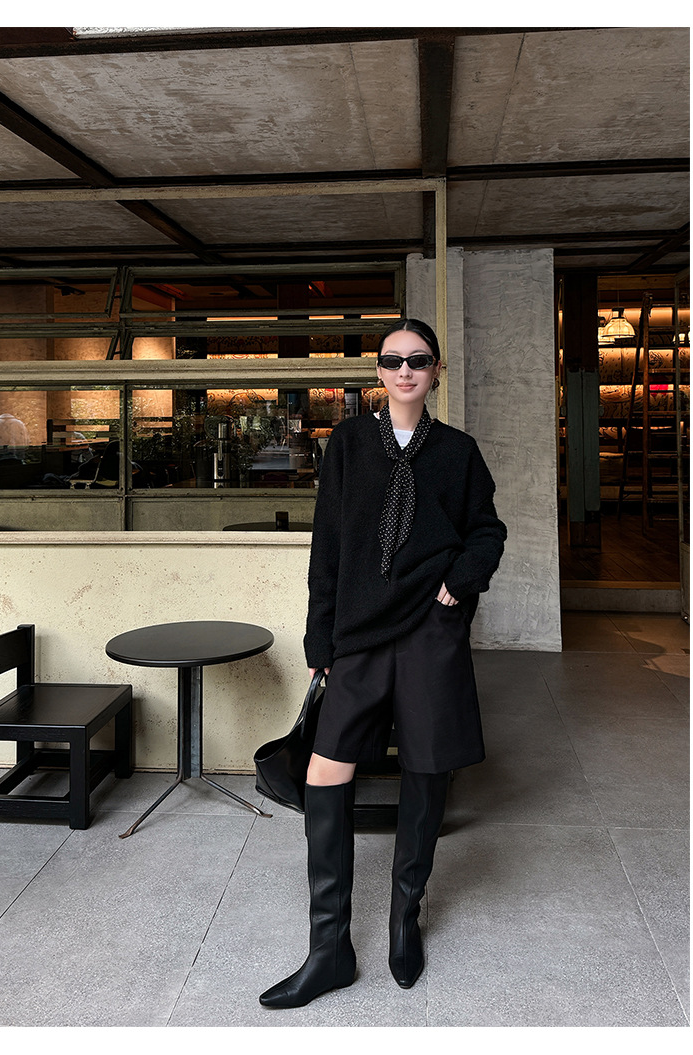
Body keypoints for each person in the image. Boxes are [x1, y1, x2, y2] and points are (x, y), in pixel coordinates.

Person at [259, 318, 508, 1010]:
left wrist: (460, 580)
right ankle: (329, 949)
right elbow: (328, 545)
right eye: (393, 360)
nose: (405, 370)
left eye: (418, 360)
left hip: (429, 630)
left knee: (427, 767)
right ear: (378, 371)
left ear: (435, 372)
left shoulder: (457, 452)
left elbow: (487, 530)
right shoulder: (347, 443)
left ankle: (405, 918)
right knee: (325, 768)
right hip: (361, 632)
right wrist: (320, 641)